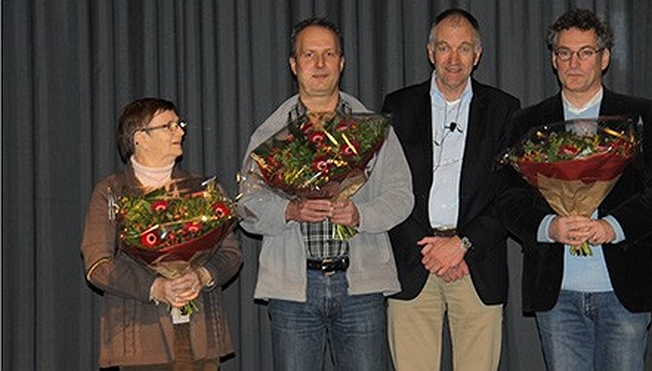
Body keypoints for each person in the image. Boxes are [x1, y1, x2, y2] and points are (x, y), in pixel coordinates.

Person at [498, 8, 652, 371]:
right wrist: (549, 227)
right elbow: (507, 197)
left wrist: (612, 226)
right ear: (553, 60)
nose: (574, 62)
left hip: (625, 289)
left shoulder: (641, 115)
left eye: (585, 52)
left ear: (604, 58)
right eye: (564, 53)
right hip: (557, 292)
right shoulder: (528, 122)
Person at [238, 17, 413, 371]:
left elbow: (401, 195)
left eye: (328, 54)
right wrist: (289, 210)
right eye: (309, 55)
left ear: (342, 62)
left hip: (361, 289)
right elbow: (246, 206)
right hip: (293, 293)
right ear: (293, 64)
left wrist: (361, 216)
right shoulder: (270, 134)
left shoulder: (372, 129)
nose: (319, 64)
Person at [382, 8, 520, 371]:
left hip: (477, 266)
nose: (453, 59)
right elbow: (384, 187)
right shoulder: (397, 107)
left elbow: (511, 194)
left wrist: (462, 245)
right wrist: (431, 250)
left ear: (478, 54)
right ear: (430, 52)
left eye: (463, 49)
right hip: (415, 262)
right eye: (444, 47)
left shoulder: (505, 109)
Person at [80, 98, 243, 370]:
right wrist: (156, 287)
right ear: (139, 138)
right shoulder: (111, 192)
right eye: (168, 126)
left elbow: (232, 253)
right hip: (142, 339)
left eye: (179, 125)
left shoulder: (202, 190)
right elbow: (98, 264)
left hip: (201, 333)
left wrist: (203, 276)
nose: (180, 132)